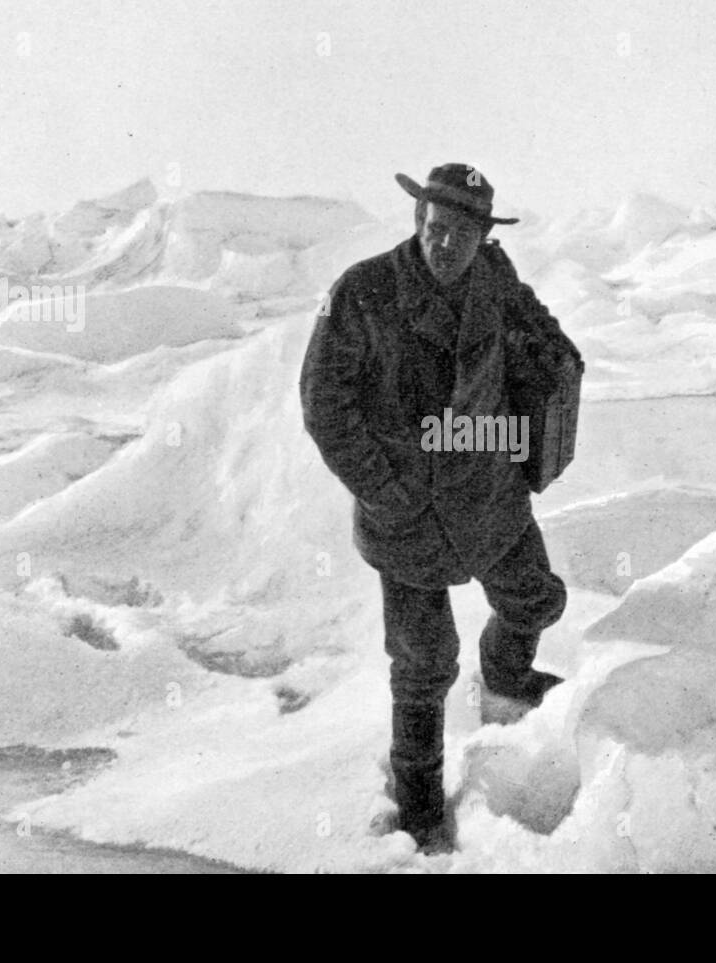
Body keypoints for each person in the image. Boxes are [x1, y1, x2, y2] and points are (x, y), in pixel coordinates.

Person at [299, 163, 582, 854]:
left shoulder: (495, 278)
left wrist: (547, 368)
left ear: (483, 236)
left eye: (461, 232)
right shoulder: (363, 292)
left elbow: (546, 337)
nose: (444, 244)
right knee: (423, 662)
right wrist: (381, 485)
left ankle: (506, 690)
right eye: (434, 228)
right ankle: (420, 804)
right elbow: (322, 402)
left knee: (536, 598)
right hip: (408, 510)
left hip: (487, 492)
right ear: (416, 221)